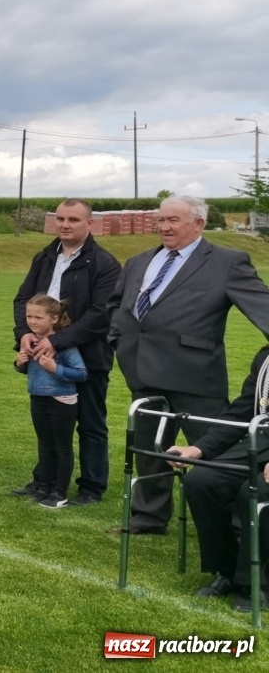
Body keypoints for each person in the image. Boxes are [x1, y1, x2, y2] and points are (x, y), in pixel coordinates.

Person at [110, 195, 269, 535]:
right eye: (161, 220)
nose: (164, 226)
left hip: (195, 374)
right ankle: (148, 518)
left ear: (198, 224)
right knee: (150, 449)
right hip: (141, 369)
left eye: (173, 220)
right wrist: (118, 340)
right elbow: (118, 304)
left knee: (215, 450)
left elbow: (261, 304)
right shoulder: (139, 261)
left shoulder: (227, 262)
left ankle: (235, 523)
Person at [11, 199, 120, 505]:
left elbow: (102, 313)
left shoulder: (104, 263)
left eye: (73, 219)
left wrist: (58, 341)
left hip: (88, 356)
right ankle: (44, 479)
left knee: (90, 423)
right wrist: (24, 334)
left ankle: (91, 487)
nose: (65, 225)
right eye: (60, 218)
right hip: (42, 357)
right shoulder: (45, 257)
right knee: (49, 424)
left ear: (90, 224)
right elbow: (23, 300)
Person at [166, 345, 269, 612]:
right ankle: (226, 571)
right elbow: (243, 411)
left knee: (254, 491)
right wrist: (198, 448)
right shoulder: (265, 357)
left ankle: (255, 581)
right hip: (260, 442)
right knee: (202, 481)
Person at [13, 295, 88, 508]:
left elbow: (81, 373)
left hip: (61, 401)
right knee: (45, 445)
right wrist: (20, 364)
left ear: (54, 319)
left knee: (61, 448)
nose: (32, 321)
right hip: (38, 398)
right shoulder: (31, 340)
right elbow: (26, 370)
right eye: (29, 316)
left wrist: (55, 368)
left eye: (38, 317)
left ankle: (60, 492)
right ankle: (44, 486)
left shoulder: (64, 345)